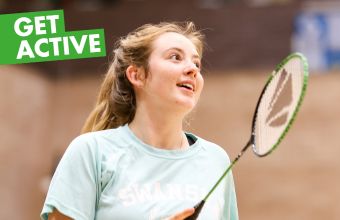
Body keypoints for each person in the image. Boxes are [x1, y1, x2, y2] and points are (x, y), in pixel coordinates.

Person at [41, 21, 239, 220]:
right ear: (137, 75)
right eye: (175, 57)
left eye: (197, 63)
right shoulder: (91, 151)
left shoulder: (215, 160)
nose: (192, 69)